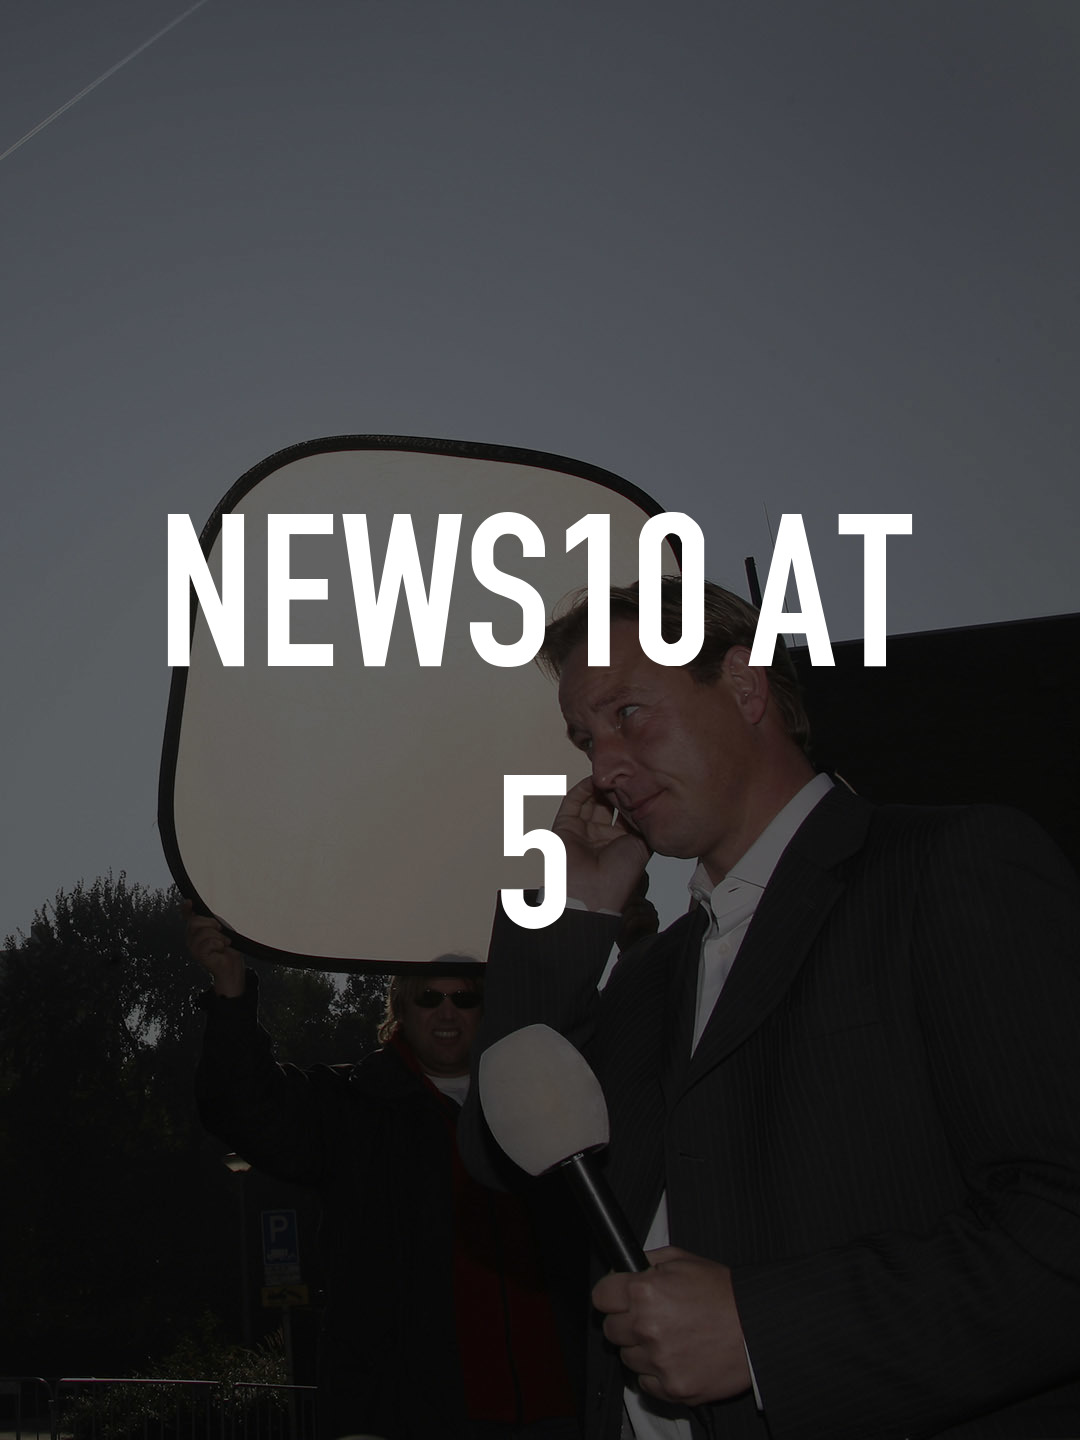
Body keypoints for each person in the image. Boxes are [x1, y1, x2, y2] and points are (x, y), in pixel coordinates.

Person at [459, 578, 1080, 1440]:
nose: (603, 768)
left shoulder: (947, 867)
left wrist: (764, 1333)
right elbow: (504, 1156)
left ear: (745, 686)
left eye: (627, 713)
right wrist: (573, 913)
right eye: (586, 739)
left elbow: (1060, 1225)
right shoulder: (651, 975)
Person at [189, 907, 585, 1440]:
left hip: (555, 1408)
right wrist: (231, 989)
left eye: (465, 998)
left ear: (487, 1009)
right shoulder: (356, 1107)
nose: (447, 1012)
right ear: (401, 1007)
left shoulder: (542, 1105)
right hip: (407, 1414)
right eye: (429, 997)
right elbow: (242, 1107)